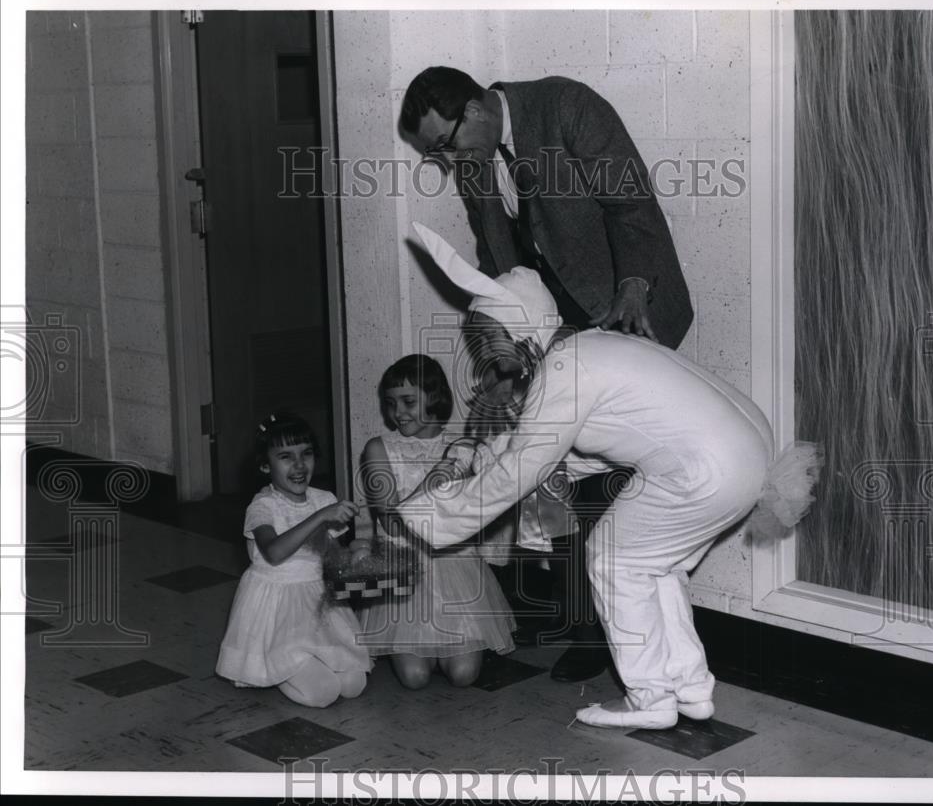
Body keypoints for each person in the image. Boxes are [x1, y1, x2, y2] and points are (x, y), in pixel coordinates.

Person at [395, 224, 822, 729]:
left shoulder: (564, 371)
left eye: (489, 341)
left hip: (707, 468)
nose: (488, 357)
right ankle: (691, 687)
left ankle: (649, 699)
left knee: (612, 558)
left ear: (518, 328)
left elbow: (520, 470)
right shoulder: (586, 349)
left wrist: (423, 513)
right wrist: (473, 458)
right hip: (745, 455)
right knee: (654, 566)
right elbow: (570, 453)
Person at [400, 66, 695, 682]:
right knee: (548, 471)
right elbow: (492, 254)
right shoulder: (474, 157)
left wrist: (635, 287)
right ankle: (571, 618)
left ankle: (612, 635)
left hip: (620, 312)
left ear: (477, 110)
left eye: (443, 146)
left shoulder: (567, 108)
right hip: (548, 332)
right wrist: (507, 350)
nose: (446, 161)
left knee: (607, 484)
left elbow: (631, 204)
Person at [355, 354, 515, 690]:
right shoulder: (378, 449)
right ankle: (421, 645)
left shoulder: (461, 447)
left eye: (409, 402)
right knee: (415, 679)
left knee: (463, 676)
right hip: (403, 562)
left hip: (453, 564)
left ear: (434, 397)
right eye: (390, 403)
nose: (398, 413)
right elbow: (391, 523)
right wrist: (428, 485)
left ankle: (447, 644)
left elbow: (478, 516)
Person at [216, 412, 372, 708]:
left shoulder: (323, 499)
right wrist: (319, 517)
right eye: (286, 457)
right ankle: (277, 666)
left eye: (307, 454)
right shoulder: (262, 506)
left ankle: (309, 659)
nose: (299, 465)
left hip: (316, 599)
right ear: (265, 465)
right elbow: (274, 552)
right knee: (323, 693)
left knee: (354, 684)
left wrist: (356, 557)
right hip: (277, 606)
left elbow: (331, 554)